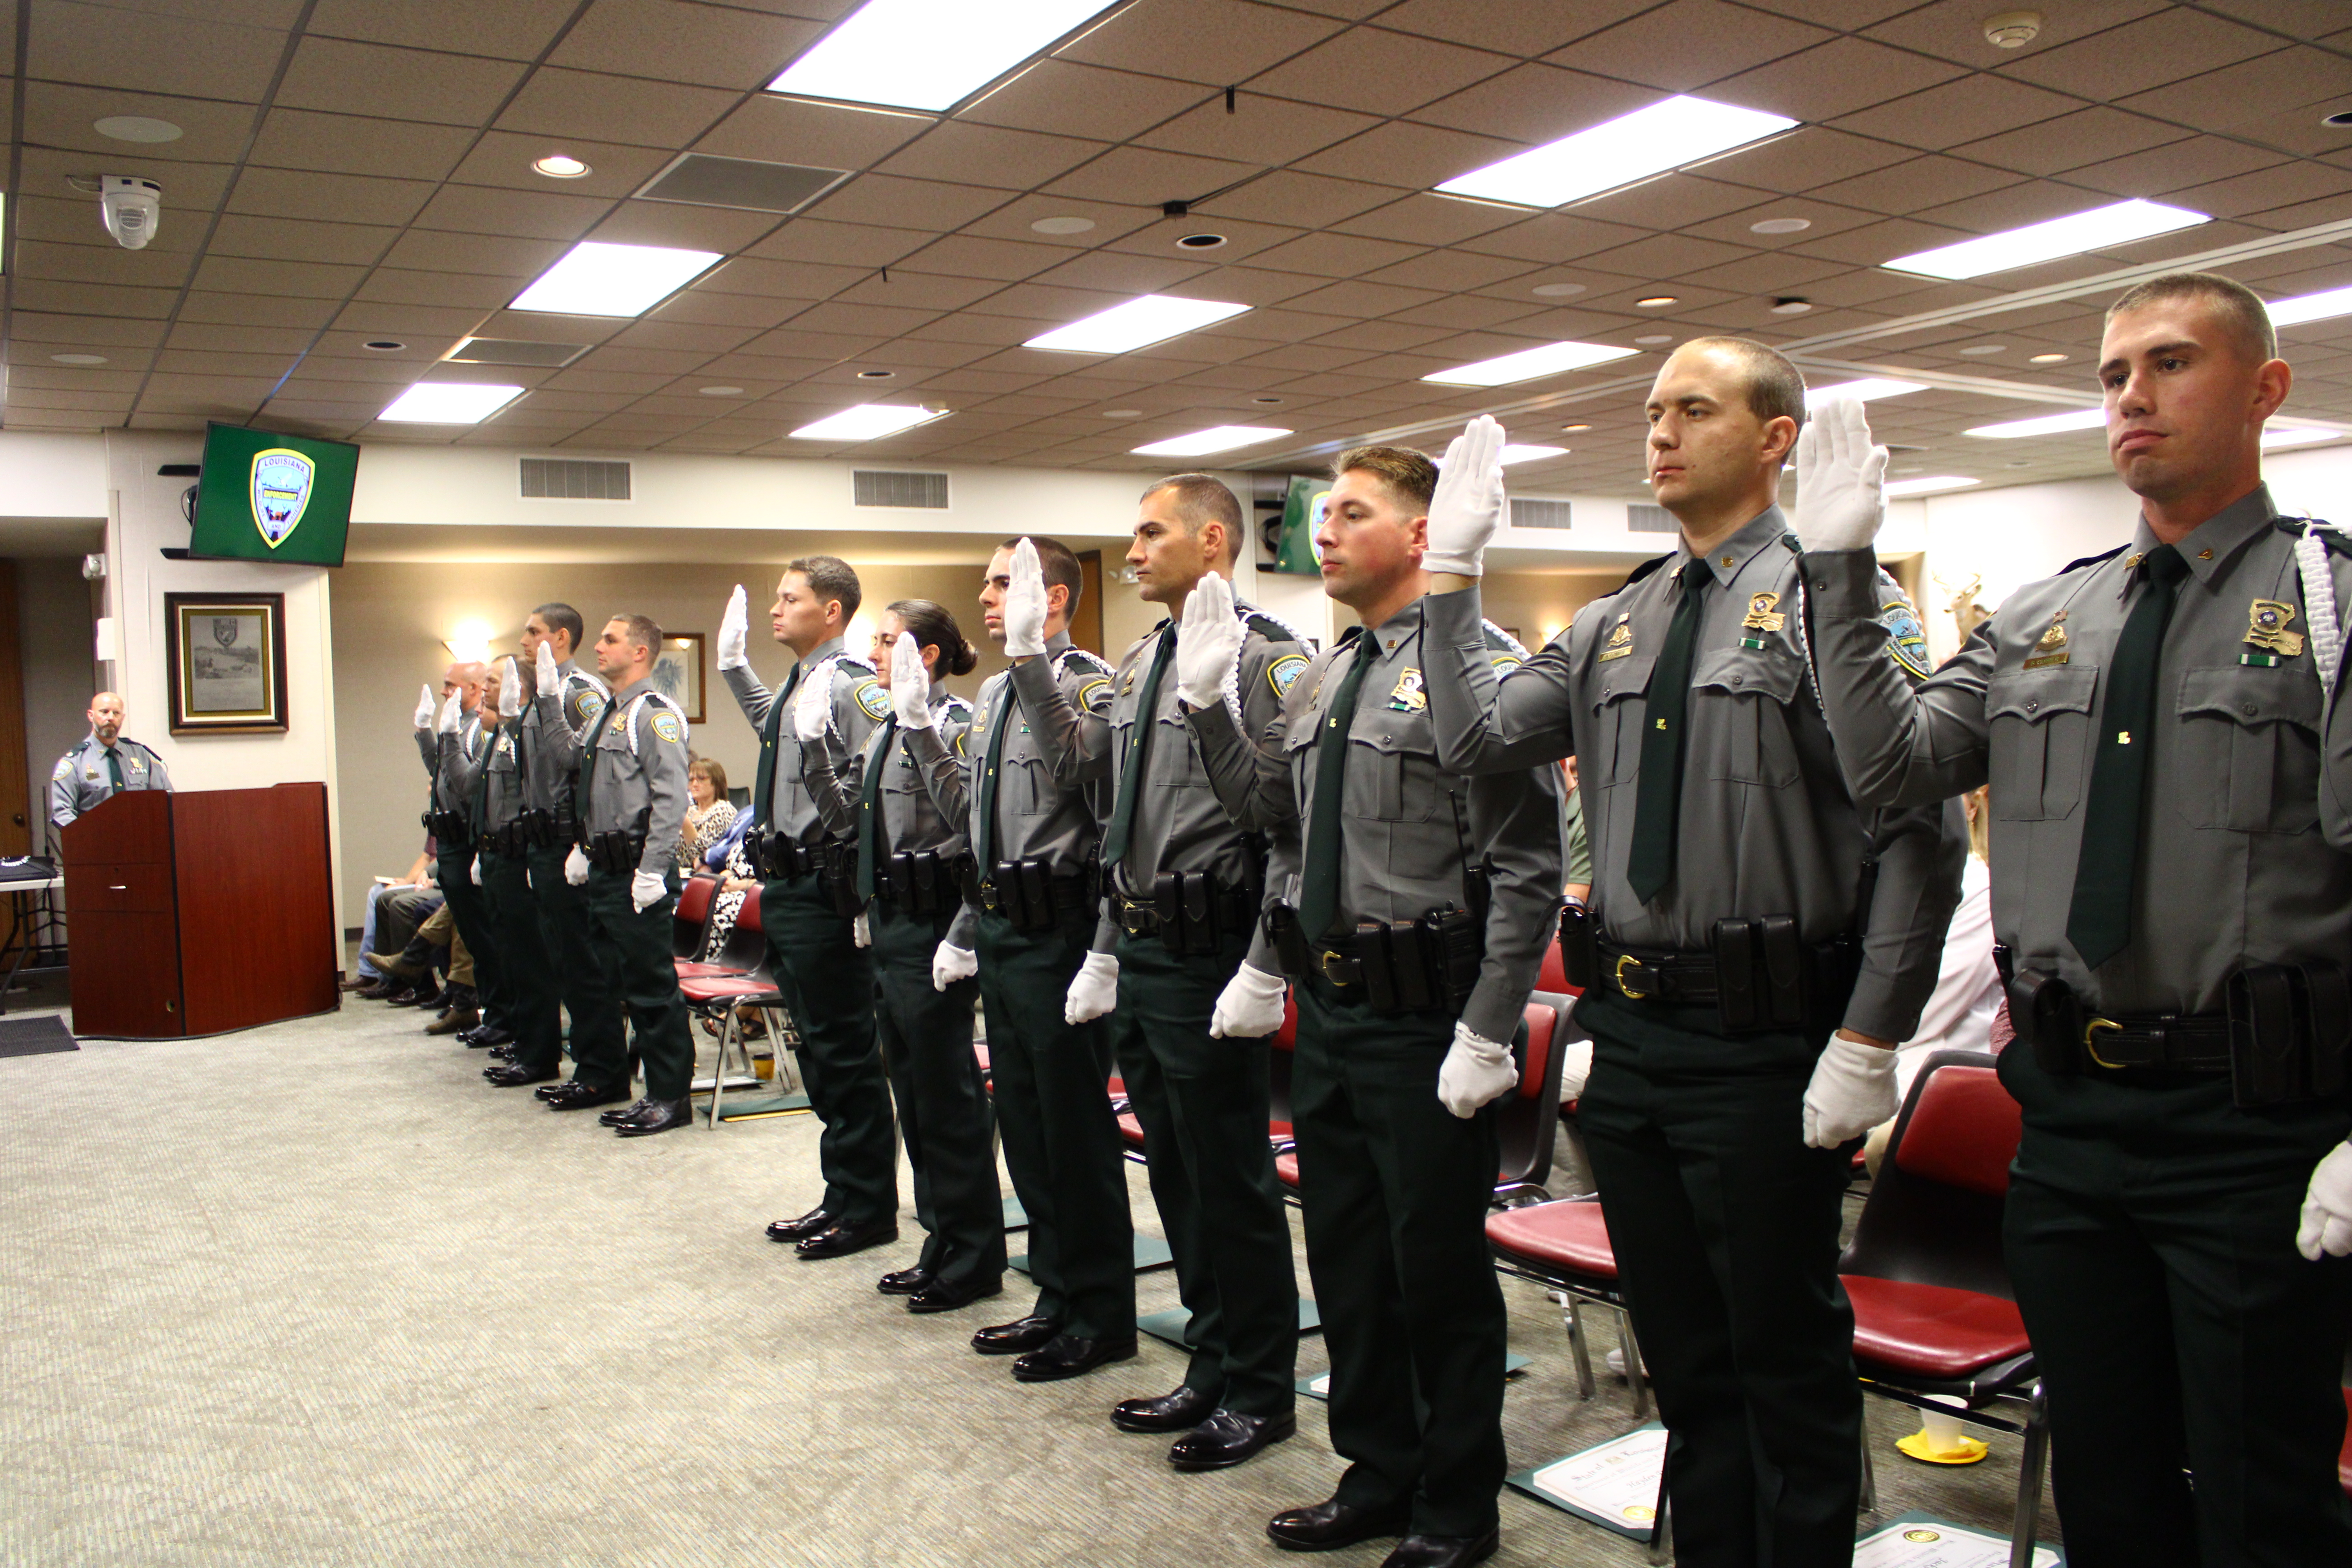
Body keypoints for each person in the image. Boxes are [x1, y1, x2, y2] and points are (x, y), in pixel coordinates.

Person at [1798, 272, 2352, 1566]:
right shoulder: (2048, 616)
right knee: (2103, 1480)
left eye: (2171, 364)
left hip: (2257, 1128)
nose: (2134, 398)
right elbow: (1890, 770)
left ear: (2265, 388)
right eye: (2112, 376)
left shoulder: (2328, 604)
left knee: (2265, 1494)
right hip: (2069, 1122)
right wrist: (1836, 575)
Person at [1416, 381, 1963, 1568]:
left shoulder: (1837, 600)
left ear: (1775, 440)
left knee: (1782, 1365)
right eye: (1653, 410)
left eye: (1694, 409)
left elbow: (1925, 835)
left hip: (1771, 1041)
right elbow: (1471, 740)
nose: (1658, 432)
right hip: (1637, 1044)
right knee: (1686, 1364)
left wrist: (1870, 1037)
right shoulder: (1618, 617)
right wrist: (1449, 580)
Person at [1192, 445, 1564, 1568]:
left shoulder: (1479, 673)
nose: (1325, 531)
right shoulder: (1324, 674)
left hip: (1429, 1017)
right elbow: (1278, 829)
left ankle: (1458, 1507)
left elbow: (1530, 869)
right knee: (1349, 1262)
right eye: (1322, 514)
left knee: (1437, 1276)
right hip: (1335, 1010)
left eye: (1353, 512)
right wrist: (1213, 707)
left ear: (1421, 534)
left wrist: (1492, 1028)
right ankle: (1377, 1471)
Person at [1063, 475, 1308, 1470]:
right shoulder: (1137, 658)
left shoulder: (1269, 657)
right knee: (1175, 1170)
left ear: (1213, 539)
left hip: (1216, 947)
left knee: (1230, 1179)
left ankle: (1262, 1388)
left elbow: (1284, 821)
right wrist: (1107, 945)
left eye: (1150, 530)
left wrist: (1261, 966)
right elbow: (1110, 811)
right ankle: (1211, 1359)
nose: (1133, 546)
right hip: (1148, 942)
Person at [910, 536, 1133, 1383]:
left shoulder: (1088, 687)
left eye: (1006, 582)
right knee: (1030, 1132)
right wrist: (922, 731)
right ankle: (1057, 1293)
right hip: (1004, 929)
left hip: (1062, 934)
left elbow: (1102, 809)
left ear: (1057, 596)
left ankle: (1102, 1310)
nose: (989, 595)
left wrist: (1105, 950)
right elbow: (972, 814)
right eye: (988, 582)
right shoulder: (997, 691)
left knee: (1074, 1131)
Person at [806, 599, 1001, 1313]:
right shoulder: (887, 729)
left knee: (947, 1099)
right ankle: (940, 1240)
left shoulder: (949, 726)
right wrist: (817, 752)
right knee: (912, 1097)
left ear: (928, 656)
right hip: (890, 921)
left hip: (932, 927)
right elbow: (850, 824)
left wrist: (962, 933)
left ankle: (975, 1254)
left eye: (889, 642)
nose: (876, 654)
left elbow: (975, 832)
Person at [718, 558, 900, 1258]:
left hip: (825, 893)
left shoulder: (854, 688)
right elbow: (777, 729)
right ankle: (842, 1192)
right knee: (820, 1054)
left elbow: (873, 790)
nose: (775, 609)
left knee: (846, 1053)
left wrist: (862, 892)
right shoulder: (803, 682)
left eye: (790, 599)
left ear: (832, 611)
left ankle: (869, 1208)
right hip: (786, 888)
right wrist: (735, 668)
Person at [536, 613, 697, 1136]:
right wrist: (584, 848)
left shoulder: (654, 715)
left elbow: (672, 800)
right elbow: (573, 767)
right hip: (605, 868)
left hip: (637, 872)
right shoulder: (608, 714)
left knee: (652, 990)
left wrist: (653, 870)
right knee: (612, 981)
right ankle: (617, 1080)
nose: (600, 648)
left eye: (611, 640)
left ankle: (670, 1096)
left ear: (641, 653)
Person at [514, 605, 619, 1112]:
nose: (523, 639)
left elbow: (589, 770)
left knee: (583, 963)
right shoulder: (541, 697)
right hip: (541, 842)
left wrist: (582, 841)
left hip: (565, 843)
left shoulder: (580, 694)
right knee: (561, 958)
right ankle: (583, 1065)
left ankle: (602, 1074)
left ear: (560, 637)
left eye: (532, 632)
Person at [461, 657, 558, 1080]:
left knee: (531, 961)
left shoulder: (525, 734)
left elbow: (532, 795)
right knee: (510, 956)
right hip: (498, 854)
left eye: (495, 682)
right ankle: (523, 1040)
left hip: (521, 858)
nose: (485, 691)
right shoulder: (499, 735)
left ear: (517, 687)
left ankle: (539, 1054)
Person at [414, 662, 496, 1049]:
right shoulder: (459, 725)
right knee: (471, 934)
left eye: (450, 686)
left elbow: (469, 787)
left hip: (467, 840)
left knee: (483, 938)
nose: (445, 692)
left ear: (474, 688)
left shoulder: (478, 728)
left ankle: (493, 1012)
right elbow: (440, 771)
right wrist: (424, 734)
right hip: (448, 840)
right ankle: (485, 1012)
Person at [50, 691, 171, 831]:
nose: (111, 718)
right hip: (95, 843)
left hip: (141, 841)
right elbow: (62, 813)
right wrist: (84, 837)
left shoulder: (141, 755)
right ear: (91, 715)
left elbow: (166, 800)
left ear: (123, 718)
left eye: (116, 713)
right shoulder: (75, 762)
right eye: (104, 712)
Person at [677, 758, 736, 874]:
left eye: (701, 779)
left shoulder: (723, 811)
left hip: (712, 878)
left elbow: (702, 856)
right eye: (691, 780)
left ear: (716, 782)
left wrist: (684, 820)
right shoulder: (691, 811)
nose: (694, 784)